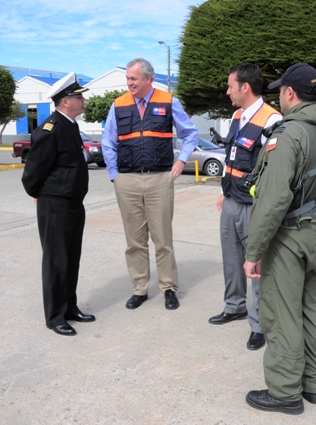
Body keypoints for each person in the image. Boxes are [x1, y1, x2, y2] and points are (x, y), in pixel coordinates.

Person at [242, 63, 316, 415]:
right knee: (312, 309)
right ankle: (312, 384)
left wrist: (254, 250)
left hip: (287, 236)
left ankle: (285, 391)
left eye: (281, 91)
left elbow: (273, 200)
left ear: (289, 93)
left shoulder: (288, 135)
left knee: (281, 313)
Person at [101, 58, 198, 311]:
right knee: (134, 240)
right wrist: (115, 175)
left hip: (159, 180)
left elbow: (190, 133)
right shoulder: (118, 104)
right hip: (127, 180)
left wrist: (181, 160)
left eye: (133, 78)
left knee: (162, 239)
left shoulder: (169, 101)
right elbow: (108, 141)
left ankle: (168, 288)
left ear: (148, 79)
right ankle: (140, 288)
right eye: (127, 78)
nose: (129, 83)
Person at [208, 63, 282, 352]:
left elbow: (273, 169)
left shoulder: (271, 119)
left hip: (254, 205)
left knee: (257, 264)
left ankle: (259, 324)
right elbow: (232, 155)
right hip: (231, 199)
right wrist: (223, 191)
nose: (227, 92)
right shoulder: (238, 115)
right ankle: (234, 306)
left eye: (230, 86)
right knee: (231, 258)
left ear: (245, 87)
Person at [21, 72, 95, 337]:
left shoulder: (70, 125)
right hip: (55, 205)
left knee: (71, 259)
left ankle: (69, 308)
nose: (83, 100)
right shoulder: (50, 129)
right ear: (65, 101)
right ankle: (54, 316)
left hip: (74, 203)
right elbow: (33, 171)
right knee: (56, 262)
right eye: (79, 97)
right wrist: (40, 194)